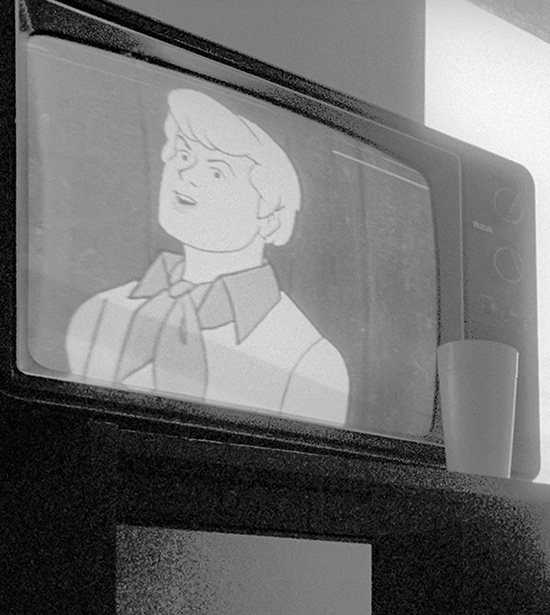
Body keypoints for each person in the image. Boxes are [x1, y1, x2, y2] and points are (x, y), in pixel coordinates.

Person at [66, 88, 349, 426]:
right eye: (184, 155)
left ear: (270, 217)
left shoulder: (312, 364)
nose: (186, 174)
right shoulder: (97, 312)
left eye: (217, 171)